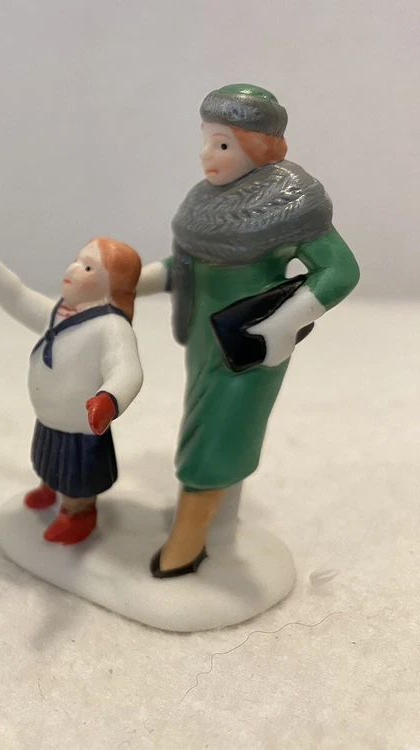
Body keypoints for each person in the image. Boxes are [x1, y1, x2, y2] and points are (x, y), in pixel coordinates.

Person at [137, 84, 360, 577]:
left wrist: (281, 325)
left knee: (221, 432)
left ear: (257, 146)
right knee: (200, 425)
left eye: (222, 144)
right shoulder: (204, 203)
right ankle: (207, 520)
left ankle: (190, 537)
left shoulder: (291, 201)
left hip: (249, 344)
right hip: (204, 340)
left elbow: (340, 270)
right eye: (206, 140)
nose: (206, 155)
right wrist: (135, 280)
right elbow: (186, 267)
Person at [0, 231, 143, 544]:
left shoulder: (111, 326)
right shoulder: (59, 311)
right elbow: (19, 298)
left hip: (82, 425)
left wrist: (110, 398)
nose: (72, 269)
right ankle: (49, 487)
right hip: (50, 417)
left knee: (77, 476)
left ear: (113, 284)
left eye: (87, 267)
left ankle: (79, 513)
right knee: (48, 458)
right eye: (76, 260)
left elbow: (125, 368)